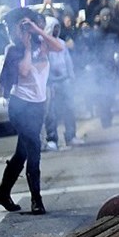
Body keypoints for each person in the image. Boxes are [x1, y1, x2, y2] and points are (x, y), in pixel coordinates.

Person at [0, 9, 65, 214]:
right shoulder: (13, 49)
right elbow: (24, 70)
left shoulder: (43, 45)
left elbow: (59, 47)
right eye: (21, 27)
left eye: (28, 25)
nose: (23, 30)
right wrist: (25, 46)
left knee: (21, 153)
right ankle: (37, 200)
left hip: (38, 106)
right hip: (20, 106)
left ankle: (2, 193)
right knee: (34, 149)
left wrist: (37, 31)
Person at [43, 16, 82, 151]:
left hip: (64, 81)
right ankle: (52, 139)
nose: (56, 30)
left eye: (57, 28)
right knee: (51, 112)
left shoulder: (61, 43)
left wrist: (71, 76)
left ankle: (71, 136)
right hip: (51, 83)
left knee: (69, 108)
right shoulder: (45, 45)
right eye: (54, 28)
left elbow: (68, 61)